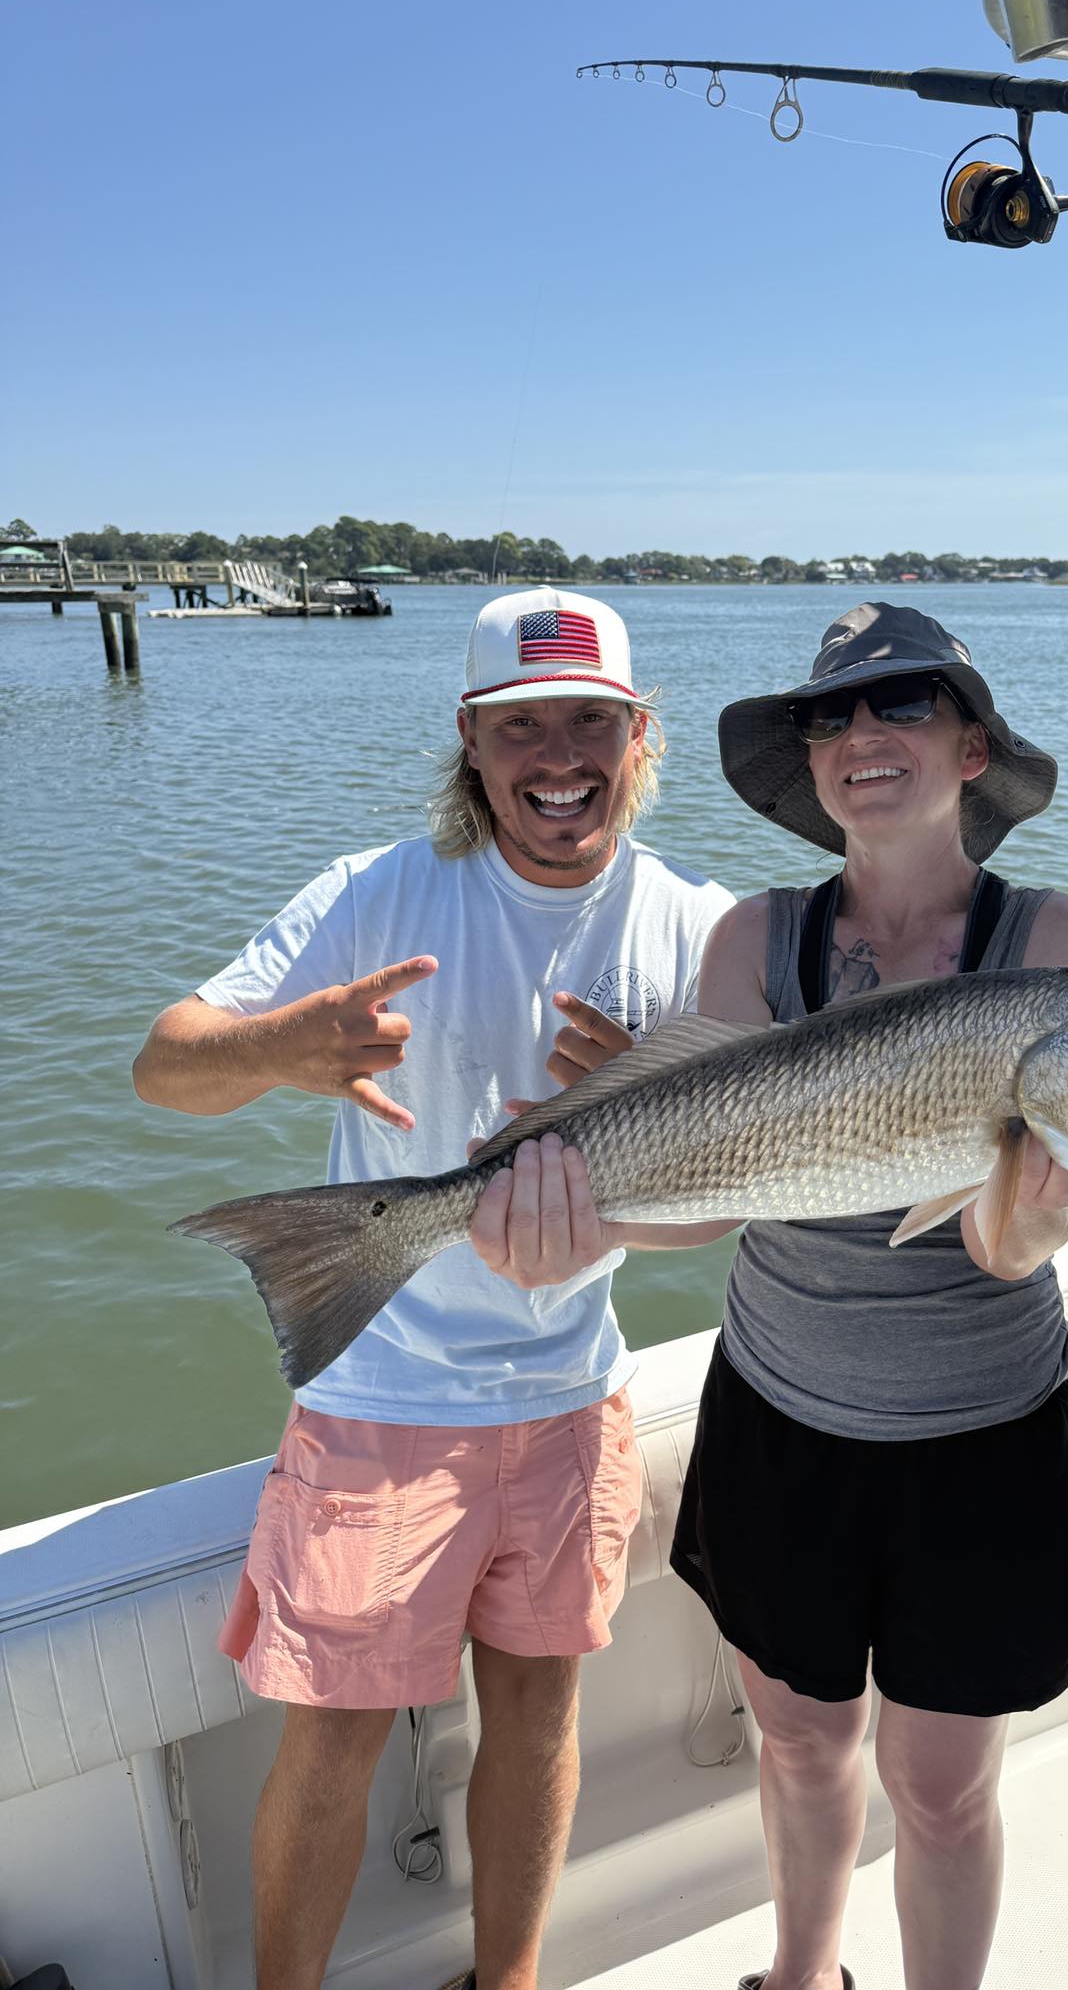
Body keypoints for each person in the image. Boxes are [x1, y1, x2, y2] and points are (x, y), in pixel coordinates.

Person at [470, 601, 1068, 1990]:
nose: (862, 733)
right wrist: (574, 1227)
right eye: (832, 715)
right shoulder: (754, 939)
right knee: (803, 1742)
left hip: (983, 1439)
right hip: (782, 1424)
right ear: (812, 763)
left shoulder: (1058, 944)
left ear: (973, 749)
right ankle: (802, 1975)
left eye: (904, 704)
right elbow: (715, 1188)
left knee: (941, 1786)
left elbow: (1009, 1253)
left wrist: (1041, 1200)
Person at [131, 586, 734, 1990]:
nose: (558, 757)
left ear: (641, 737)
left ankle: (506, 1979)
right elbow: (165, 1066)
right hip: (381, 1402)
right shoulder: (376, 893)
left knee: (539, 1714)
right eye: (520, 725)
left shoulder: (702, 932)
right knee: (333, 1736)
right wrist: (283, 1048)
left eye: (589, 721)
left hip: (571, 1394)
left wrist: (648, 1146)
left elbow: (720, 1209)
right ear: (470, 740)